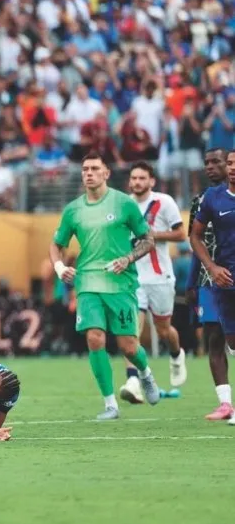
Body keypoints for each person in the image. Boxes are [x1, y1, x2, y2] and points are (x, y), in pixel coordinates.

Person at [50, 152, 161, 421]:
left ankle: (145, 373)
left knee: (129, 347)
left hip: (120, 283)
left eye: (94, 168)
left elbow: (148, 240)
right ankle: (110, 404)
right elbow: (57, 244)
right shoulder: (73, 210)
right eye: (85, 169)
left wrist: (127, 258)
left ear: (106, 173)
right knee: (94, 338)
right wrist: (60, 267)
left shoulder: (124, 204)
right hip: (87, 282)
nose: (88, 173)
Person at [119, 162, 187, 404]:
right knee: (131, 331)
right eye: (133, 178)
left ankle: (176, 354)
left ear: (152, 181)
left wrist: (150, 234)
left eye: (142, 178)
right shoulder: (123, 204)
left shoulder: (164, 202)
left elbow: (181, 234)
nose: (137, 182)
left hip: (160, 277)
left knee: (164, 331)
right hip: (133, 278)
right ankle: (133, 381)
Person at [191, 149, 235, 428]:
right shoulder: (210, 198)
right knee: (225, 341)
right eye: (230, 163)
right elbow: (194, 237)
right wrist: (211, 268)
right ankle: (226, 404)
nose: (232, 168)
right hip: (223, 279)